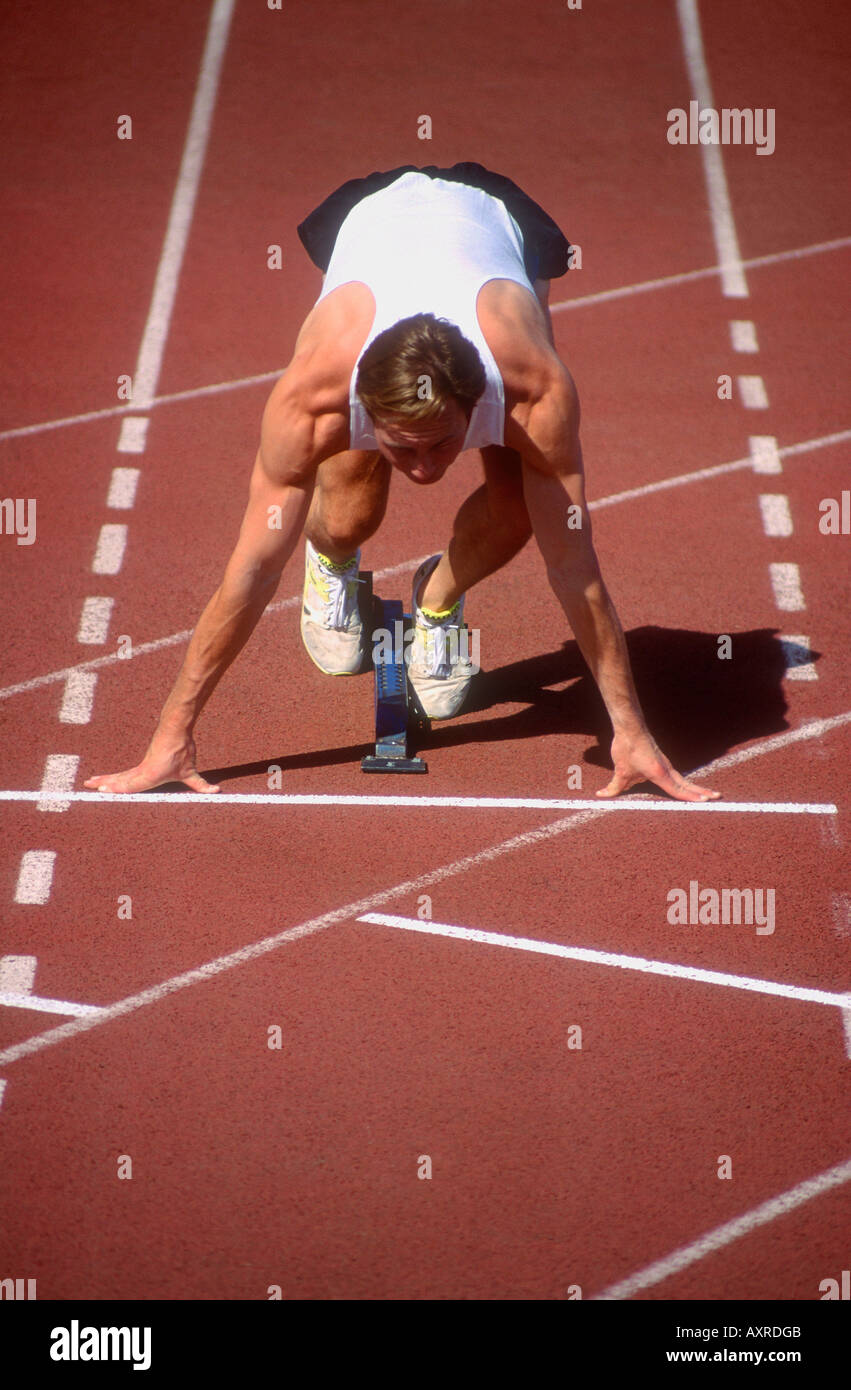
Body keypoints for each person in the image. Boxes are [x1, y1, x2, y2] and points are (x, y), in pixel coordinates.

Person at [85, 162, 719, 802]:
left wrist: (630, 728)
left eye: (444, 443)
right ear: (362, 409)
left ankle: (437, 599)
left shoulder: (531, 386)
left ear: (477, 407)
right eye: (400, 446)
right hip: (367, 220)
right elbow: (249, 573)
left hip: (501, 220)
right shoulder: (314, 398)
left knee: (519, 507)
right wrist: (173, 734)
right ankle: (332, 561)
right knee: (348, 515)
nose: (423, 470)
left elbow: (575, 569)